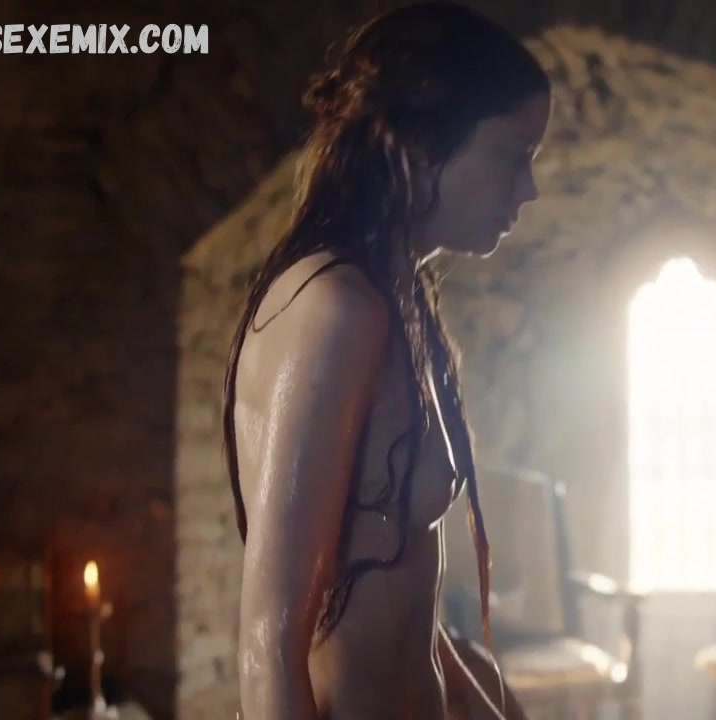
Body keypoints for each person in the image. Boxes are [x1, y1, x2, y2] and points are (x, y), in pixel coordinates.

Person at [220, 3, 550, 719]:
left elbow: (406, 616)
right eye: (513, 155)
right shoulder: (333, 308)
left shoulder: (403, 304)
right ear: (423, 140)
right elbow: (268, 644)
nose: (528, 189)